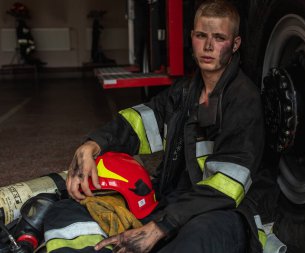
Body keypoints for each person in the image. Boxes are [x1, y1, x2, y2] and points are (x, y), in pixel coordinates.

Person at [66, 0, 265, 252]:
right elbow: (136, 124)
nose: (208, 46)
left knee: (194, 239)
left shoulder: (243, 100)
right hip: (178, 203)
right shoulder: (183, 92)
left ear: (235, 44)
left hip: (225, 211)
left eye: (219, 38)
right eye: (201, 35)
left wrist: (161, 225)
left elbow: (227, 188)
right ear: (192, 37)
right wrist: (92, 145)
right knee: (80, 205)